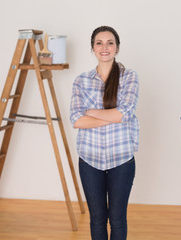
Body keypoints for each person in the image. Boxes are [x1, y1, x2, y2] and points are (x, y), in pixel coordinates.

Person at [70, 26, 139, 240]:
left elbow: (125, 113)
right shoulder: (81, 81)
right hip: (89, 160)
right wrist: (110, 116)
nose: (104, 47)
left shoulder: (129, 77)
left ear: (117, 47)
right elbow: (76, 120)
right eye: (99, 42)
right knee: (97, 218)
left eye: (110, 42)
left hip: (122, 160)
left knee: (118, 219)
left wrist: (91, 113)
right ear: (93, 48)